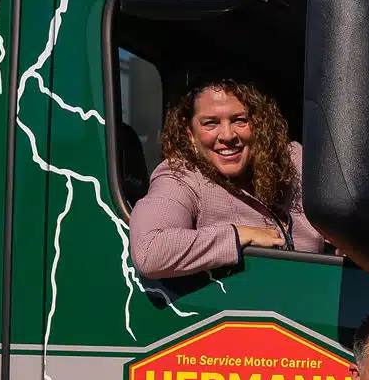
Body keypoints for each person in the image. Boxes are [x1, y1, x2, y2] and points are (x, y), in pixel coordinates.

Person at [128, 78, 325, 279]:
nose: (228, 135)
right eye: (210, 123)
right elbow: (149, 250)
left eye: (240, 120)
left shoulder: (291, 159)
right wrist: (238, 235)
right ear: (190, 134)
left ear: (260, 124)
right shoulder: (181, 175)